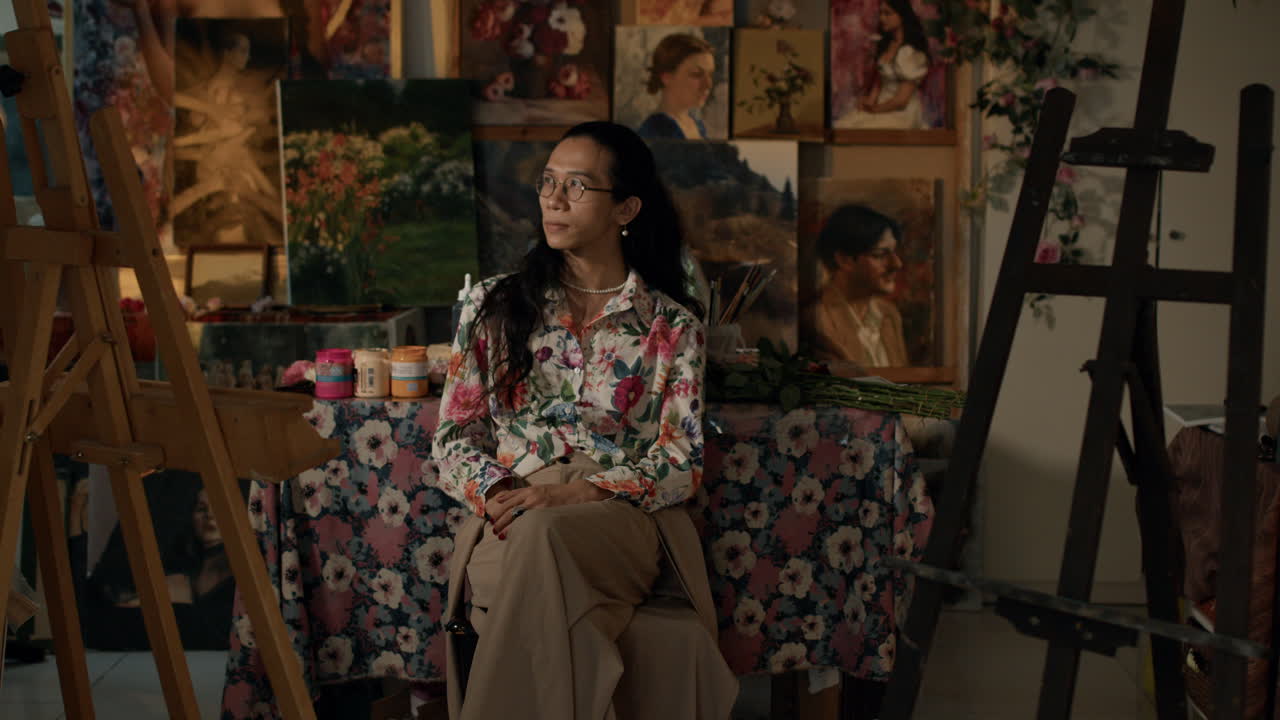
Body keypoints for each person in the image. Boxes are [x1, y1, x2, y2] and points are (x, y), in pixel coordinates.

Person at [432, 121, 738, 720]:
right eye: (548, 182)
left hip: (616, 517)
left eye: (577, 185)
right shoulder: (493, 306)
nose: (553, 198)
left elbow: (680, 463)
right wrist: (497, 491)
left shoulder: (671, 325)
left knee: (545, 539)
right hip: (510, 518)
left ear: (625, 207)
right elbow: (454, 436)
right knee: (539, 551)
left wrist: (578, 493)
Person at [802, 203, 910, 369]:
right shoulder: (818, 320)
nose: (897, 264)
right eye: (880, 255)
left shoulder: (889, 314)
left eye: (894, 252)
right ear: (845, 260)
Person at [835, 0, 931, 130]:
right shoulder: (886, 44)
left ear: (902, 16)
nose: (882, 18)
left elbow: (901, 100)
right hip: (881, 106)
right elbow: (880, 81)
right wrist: (869, 101)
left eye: (888, 14)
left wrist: (875, 110)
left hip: (901, 112)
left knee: (862, 128)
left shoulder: (911, 52)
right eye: (881, 13)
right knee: (843, 125)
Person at [636, 33, 715, 140]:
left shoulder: (697, 124)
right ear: (666, 78)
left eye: (710, 75)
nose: (708, 85)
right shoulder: (655, 130)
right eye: (697, 74)